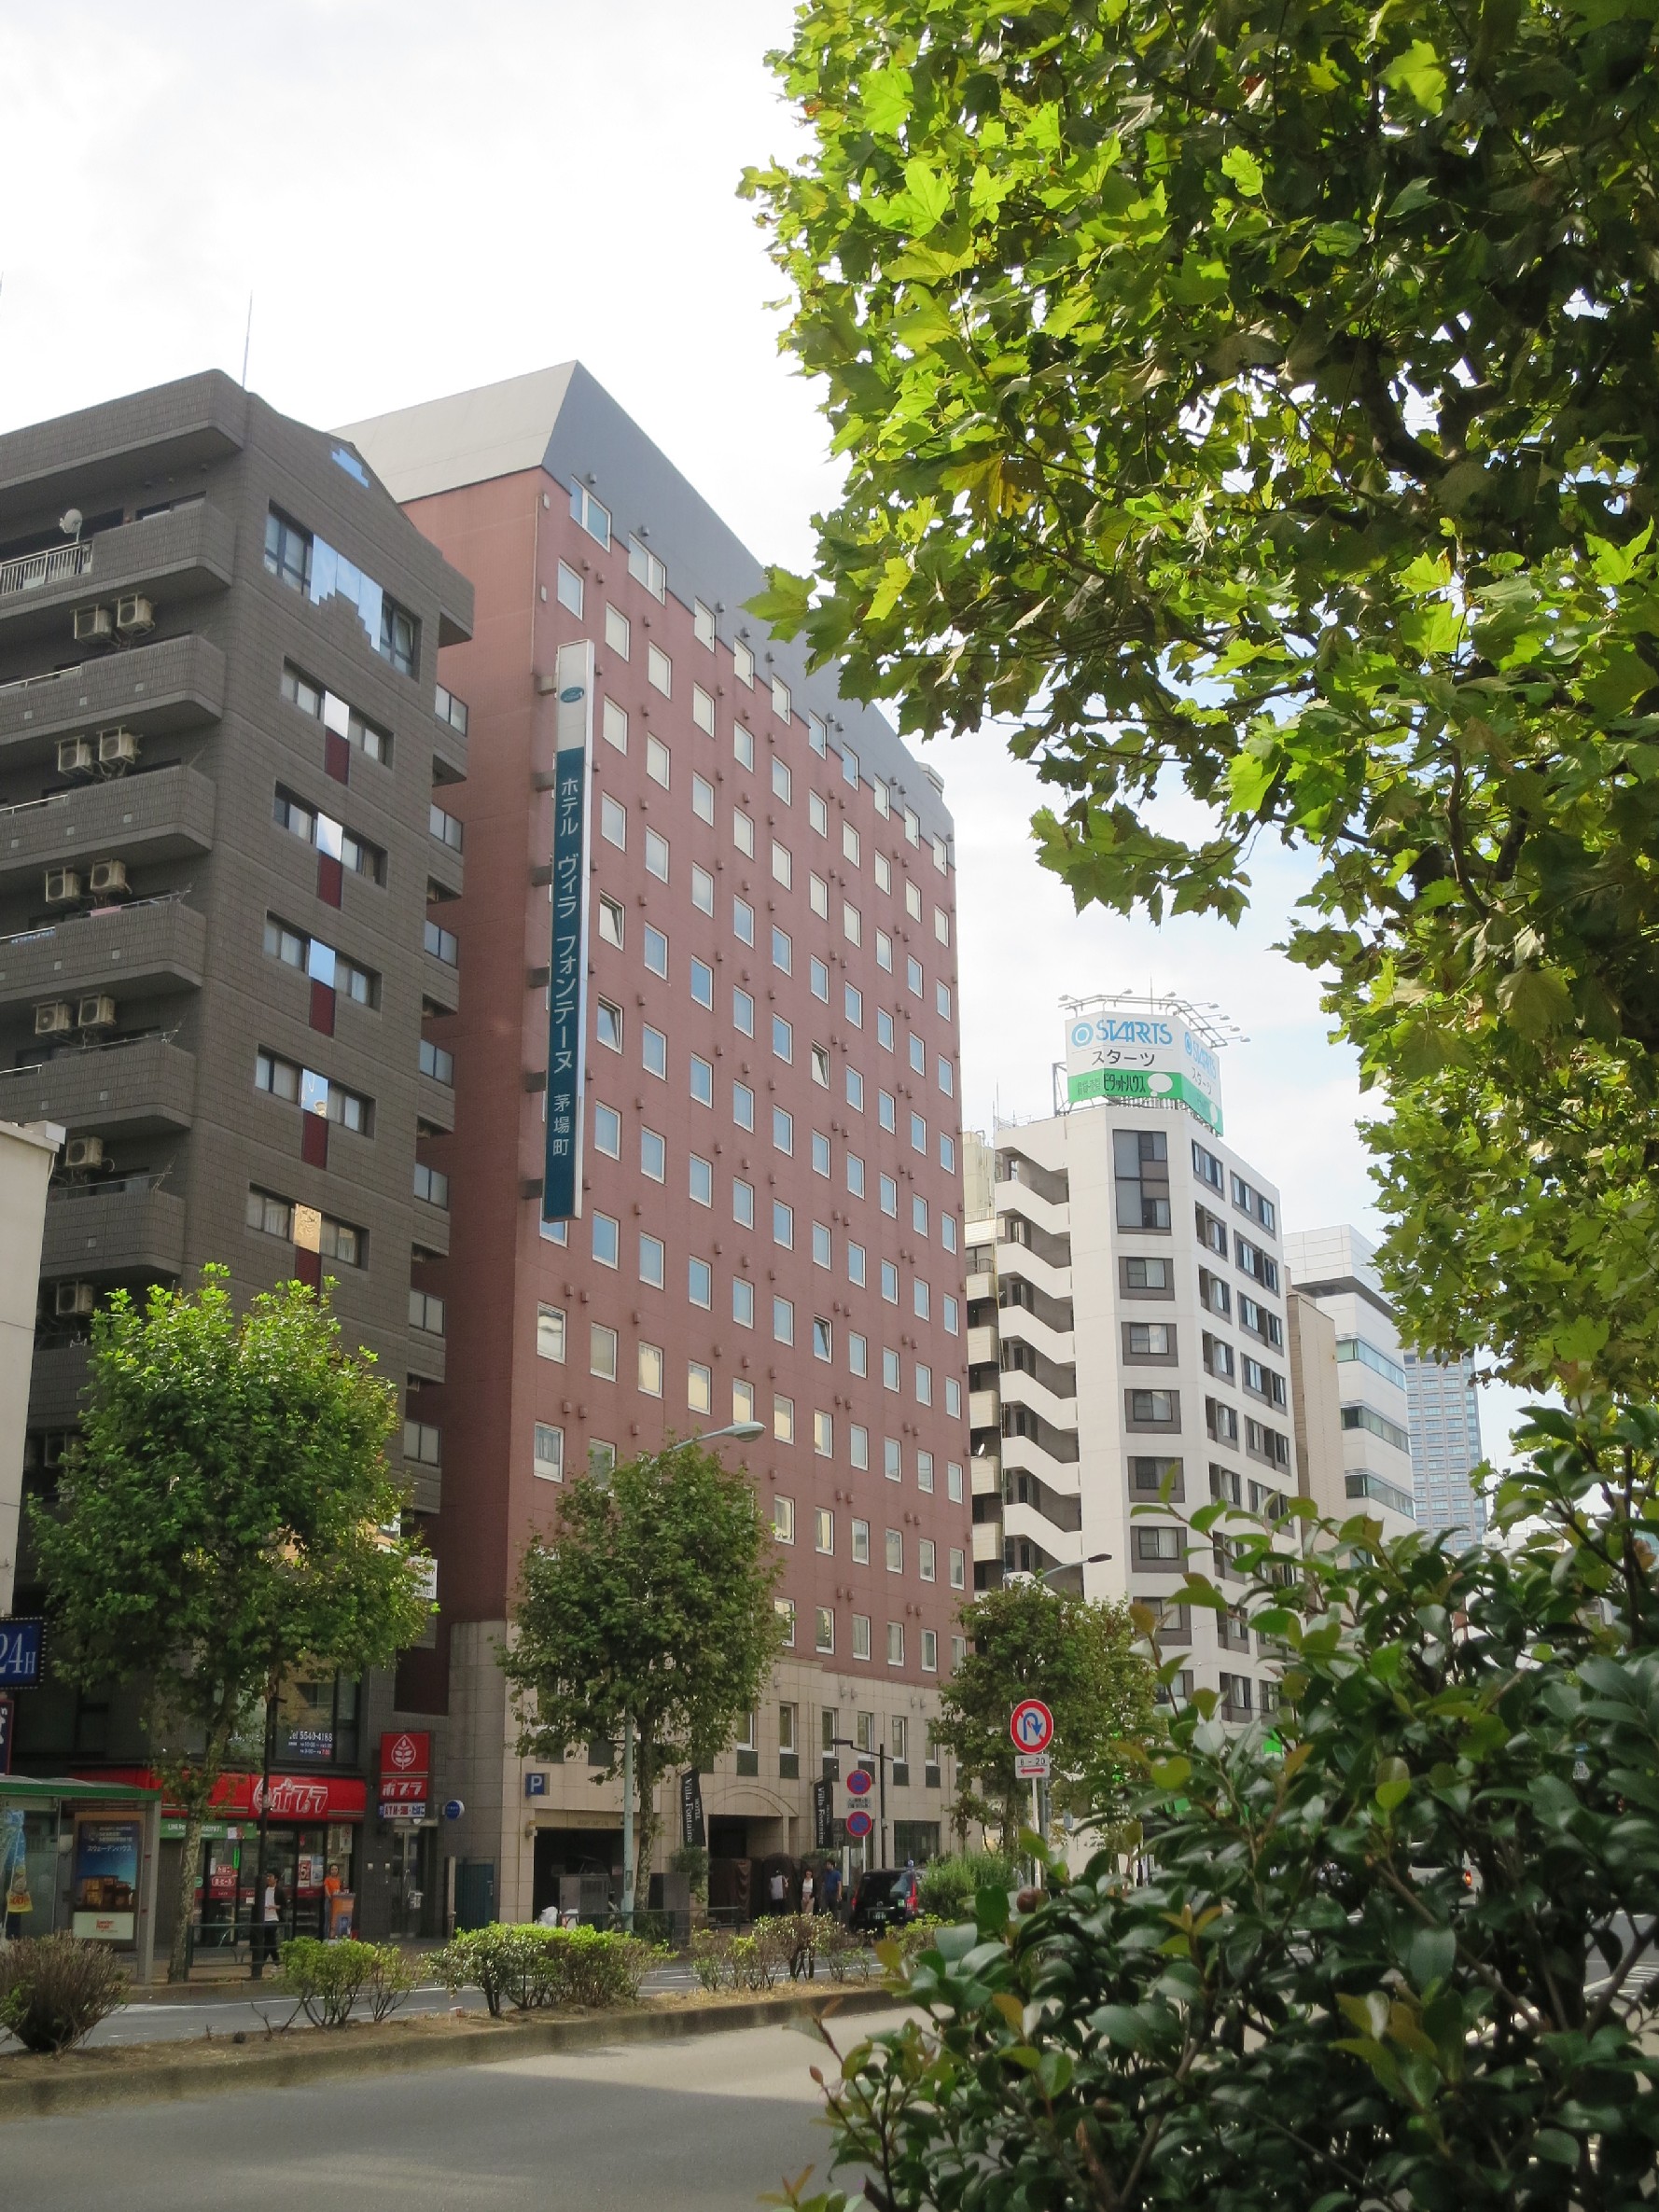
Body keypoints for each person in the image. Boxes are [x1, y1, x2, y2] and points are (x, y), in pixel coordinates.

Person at [258, 1871, 283, 1966]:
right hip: (264, 1917)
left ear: (276, 1879)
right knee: (271, 1941)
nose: (268, 1879)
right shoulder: (264, 1889)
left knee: (268, 1940)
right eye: (267, 1877)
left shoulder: (279, 1891)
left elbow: (283, 1906)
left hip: (273, 1918)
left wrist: (274, 1907)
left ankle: (261, 1961)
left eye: (270, 1877)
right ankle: (277, 1962)